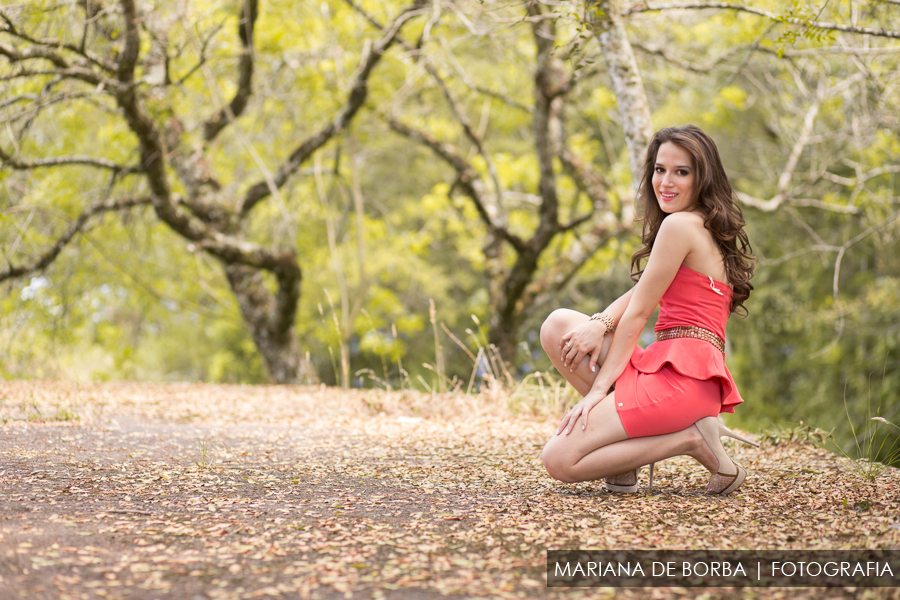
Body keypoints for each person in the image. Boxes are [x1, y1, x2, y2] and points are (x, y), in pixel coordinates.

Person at [539, 124, 758, 495]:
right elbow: (642, 291)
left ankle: (690, 439)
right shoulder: (698, 226)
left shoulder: (679, 226)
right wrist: (599, 323)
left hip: (683, 382)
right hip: (670, 368)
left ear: (703, 178)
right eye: (660, 170)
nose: (666, 182)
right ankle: (623, 462)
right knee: (558, 325)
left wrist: (597, 393)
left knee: (558, 459)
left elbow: (639, 313)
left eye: (681, 172)